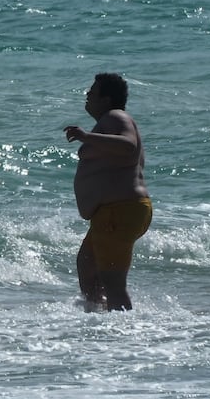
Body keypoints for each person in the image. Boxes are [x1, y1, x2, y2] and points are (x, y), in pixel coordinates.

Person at [64, 73, 152, 311]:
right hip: (115, 212)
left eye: (92, 93)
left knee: (113, 282)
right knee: (87, 265)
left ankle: (122, 335)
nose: (87, 96)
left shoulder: (116, 116)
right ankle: (101, 318)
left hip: (119, 210)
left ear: (106, 99)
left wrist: (86, 137)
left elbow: (128, 145)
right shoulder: (110, 121)